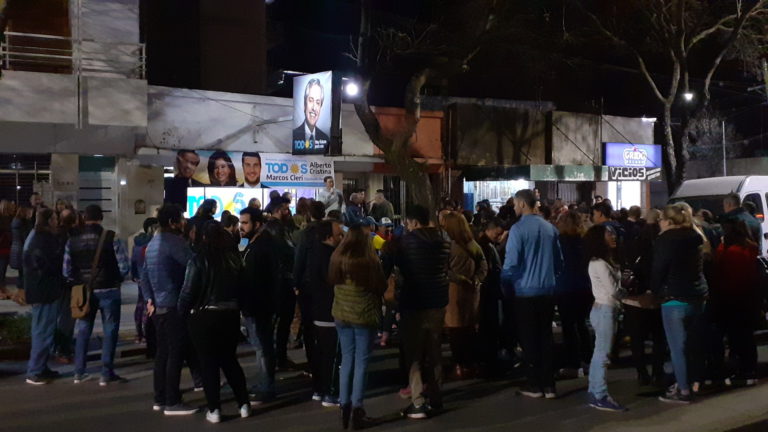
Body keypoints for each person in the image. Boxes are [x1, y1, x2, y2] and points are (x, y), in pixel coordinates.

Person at [381, 204, 451, 419]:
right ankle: (437, 398)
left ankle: (418, 401)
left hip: (413, 302)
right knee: (434, 352)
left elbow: (388, 268)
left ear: (412, 222)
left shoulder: (403, 244)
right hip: (438, 302)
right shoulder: (444, 242)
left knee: (414, 355)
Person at [178, 222, 251, 424]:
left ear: (202, 237)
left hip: (204, 315)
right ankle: (244, 404)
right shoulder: (234, 259)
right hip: (230, 314)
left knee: (208, 363)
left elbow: (188, 291)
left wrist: (182, 312)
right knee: (230, 360)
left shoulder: (198, 260)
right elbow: (243, 288)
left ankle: (215, 409)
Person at [502, 189, 563, 399]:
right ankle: (549, 384)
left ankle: (534, 383)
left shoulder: (517, 230)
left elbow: (511, 263)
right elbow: (558, 262)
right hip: (547, 290)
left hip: (525, 291)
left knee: (529, 339)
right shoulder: (550, 229)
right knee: (545, 337)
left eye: (515, 204)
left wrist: (506, 280)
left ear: (521, 204)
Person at [140, 204, 199, 415]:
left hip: (158, 305)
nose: (183, 222)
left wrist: (149, 300)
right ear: (174, 222)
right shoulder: (174, 242)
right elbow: (194, 264)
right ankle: (172, 401)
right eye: (181, 219)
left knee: (162, 353)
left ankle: (160, 397)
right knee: (176, 352)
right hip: (174, 303)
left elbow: (144, 275)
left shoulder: (153, 243)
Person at [64, 205, 130, 386]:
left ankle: (79, 372)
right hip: (109, 289)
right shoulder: (111, 237)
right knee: (110, 330)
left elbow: (67, 270)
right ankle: (106, 373)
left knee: (83, 329)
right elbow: (124, 266)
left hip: (84, 291)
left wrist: (78, 282)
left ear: (84, 218)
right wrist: (118, 278)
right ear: (101, 218)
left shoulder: (72, 239)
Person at [329, 225, 385, 429]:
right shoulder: (369, 262)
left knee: (347, 359)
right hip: (363, 315)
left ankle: (344, 406)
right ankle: (357, 408)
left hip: (341, 314)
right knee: (361, 362)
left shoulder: (337, 259)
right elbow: (381, 286)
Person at [652, 203, 708, 404]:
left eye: (661, 220)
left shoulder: (665, 240)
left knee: (677, 347)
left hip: (674, 298)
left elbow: (659, 269)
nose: (659, 223)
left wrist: (654, 290)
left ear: (668, 221)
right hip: (697, 296)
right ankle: (693, 382)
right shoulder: (696, 236)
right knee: (693, 345)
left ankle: (683, 390)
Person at [711, 220, 760, 386]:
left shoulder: (729, 251)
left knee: (736, 336)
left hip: (731, 297)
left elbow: (719, 269)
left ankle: (741, 369)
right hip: (748, 296)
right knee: (747, 335)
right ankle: (750, 368)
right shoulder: (750, 248)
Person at [584, 224, 626, 412]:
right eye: (609, 233)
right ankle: (600, 394)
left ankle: (594, 391)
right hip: (606, 309)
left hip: (604, 308)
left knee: (599, 352)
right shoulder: (599, 263)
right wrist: (625, 291)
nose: (613, 236)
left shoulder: (603, 261)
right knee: (603, 354)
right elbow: (613, 291)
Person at [239, 207, 280, 404]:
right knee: (260, 347)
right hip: (253, 304)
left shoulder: (264, 245)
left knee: (263, 347)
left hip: (259, 305)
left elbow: (266, 278)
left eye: (245, 223)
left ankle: (267, 386)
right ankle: (264, 381)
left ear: (257, 224)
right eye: (240, 222)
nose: (241, 226)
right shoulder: (253, 243)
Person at [622, 208, 665, 386]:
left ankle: (641, 372)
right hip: (656, 297)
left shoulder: (633, 241)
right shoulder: (662, 243)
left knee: (637, 339)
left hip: (633, 298)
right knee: (658, 338)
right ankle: (657, 371)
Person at [443, 212, 488, 379]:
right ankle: (471, 363)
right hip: (472, 291)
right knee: (469, 329)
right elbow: (483, 265)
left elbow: (443, 269)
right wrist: (477, 279)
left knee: (455, 331)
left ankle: (459, 364)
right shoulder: (473, 244)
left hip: (454, 291)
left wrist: (457, 278)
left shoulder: (447, 246)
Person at [24, 208, 64, 385]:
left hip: (39, 289)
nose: (57, 221)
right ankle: (35, 370)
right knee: (43, 330)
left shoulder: (35, 236)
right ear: (48, 221)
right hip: (44, 290)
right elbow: (49, 264)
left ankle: (41, 367)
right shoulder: (44, 239)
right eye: (54, 218)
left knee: (43, 329)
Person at [307, 220, 345, 407]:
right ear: (329, 237)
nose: (341, 237)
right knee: (331, 354)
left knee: (321, 353)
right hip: (329, 311)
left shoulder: (314, 253)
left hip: (318, 311)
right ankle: (329, 392)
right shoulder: (330, 257)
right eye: (338, 234)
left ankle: (319, 389)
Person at [292, 200, 328, 388]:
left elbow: (299, 261)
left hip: (308, 285)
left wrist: (295, 282)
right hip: (327, 285)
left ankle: (314, 366)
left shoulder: (306, 234)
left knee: (309, 327)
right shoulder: (330, 231)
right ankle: (327, 364)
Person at [554, 211, 593, 379]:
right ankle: (587, 359)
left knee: (569, 326)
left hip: (565, 287)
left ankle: (573, 362)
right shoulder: (585, 242)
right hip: (585, 287)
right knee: (582, 324)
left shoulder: (559, 242)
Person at [265, 197, 299, 370]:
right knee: (282, 321)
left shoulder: (271, 228)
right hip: (281, 281)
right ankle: (278, 358)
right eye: (286, 209)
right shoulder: (277, 229)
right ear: (279, 209)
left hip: (277, 280)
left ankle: (276, 357)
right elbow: (288, 251)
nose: (289, 212)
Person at [476, 217, 504, 376]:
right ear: (490, 230)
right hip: (489, 292)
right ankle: (490, 363)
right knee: (490, 327)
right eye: (497, 234)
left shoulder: (485, 244)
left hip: (488, 291)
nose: (499, 237)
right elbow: (491, 271)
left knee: (488, 327)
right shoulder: (486, 246)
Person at [131, 218, 158, 349]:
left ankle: (138, 333)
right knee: (148, 307)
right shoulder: (152, 244)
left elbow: (133, 261)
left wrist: (134, 275)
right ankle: (146, 333)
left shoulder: (137, 243)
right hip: (150, 278)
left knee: (140, 305)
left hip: (140, 278)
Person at [293, 78, 330, 152]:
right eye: (311, 100)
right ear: (304, 104)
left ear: (320, 108)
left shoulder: (325, 138)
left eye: (318, 102)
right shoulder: (294, 135)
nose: (314, 108)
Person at [10, 205, 33, 293]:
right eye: (29, 212)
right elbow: (26, 237)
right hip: (22, 250)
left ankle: (20, 293)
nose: (30, 214)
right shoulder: (24, 223)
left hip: (16, 248)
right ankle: (21, 294)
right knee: (24, 273)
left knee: (21, 273)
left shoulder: (15, 221)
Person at [0, 200, 14, 298]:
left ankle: (2, 287)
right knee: (1, 269)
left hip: (6, 247)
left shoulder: (9, 218)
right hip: (2, 247)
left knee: (3, 268)